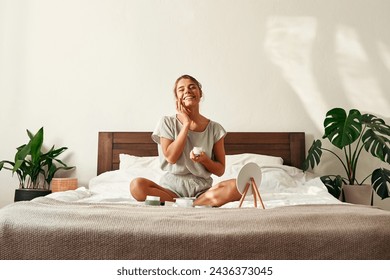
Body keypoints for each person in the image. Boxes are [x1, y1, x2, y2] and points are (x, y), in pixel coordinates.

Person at [130, 74, 241, 207]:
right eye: (181, 89)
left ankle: (190, 204)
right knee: (137, 186)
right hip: (171, 190)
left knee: (239, 186)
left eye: (192, 87)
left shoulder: (215, 129)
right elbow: (171, 157)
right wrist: (186, 124)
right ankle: (192, 204)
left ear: (200, 93)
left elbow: (220, 170)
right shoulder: (167, 122)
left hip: (203, 191)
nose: (187, 91)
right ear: (177, 98)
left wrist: (205, 160)